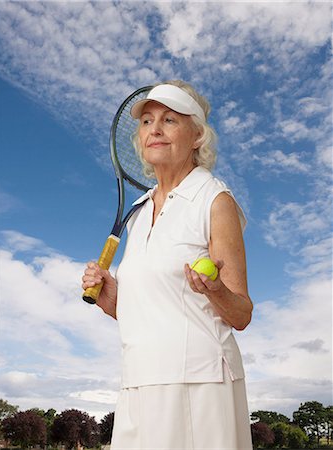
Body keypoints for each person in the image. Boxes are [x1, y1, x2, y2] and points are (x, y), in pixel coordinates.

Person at [82, 80, 253, 449]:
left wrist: (216, 289)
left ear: (196, 137)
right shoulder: (139, 212)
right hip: (137, 383)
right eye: (147, 121)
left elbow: (241, 313)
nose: (155, 129)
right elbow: (153, 310)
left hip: (198, 387)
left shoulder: (214, 199)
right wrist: (113, 300)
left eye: (170, 120)